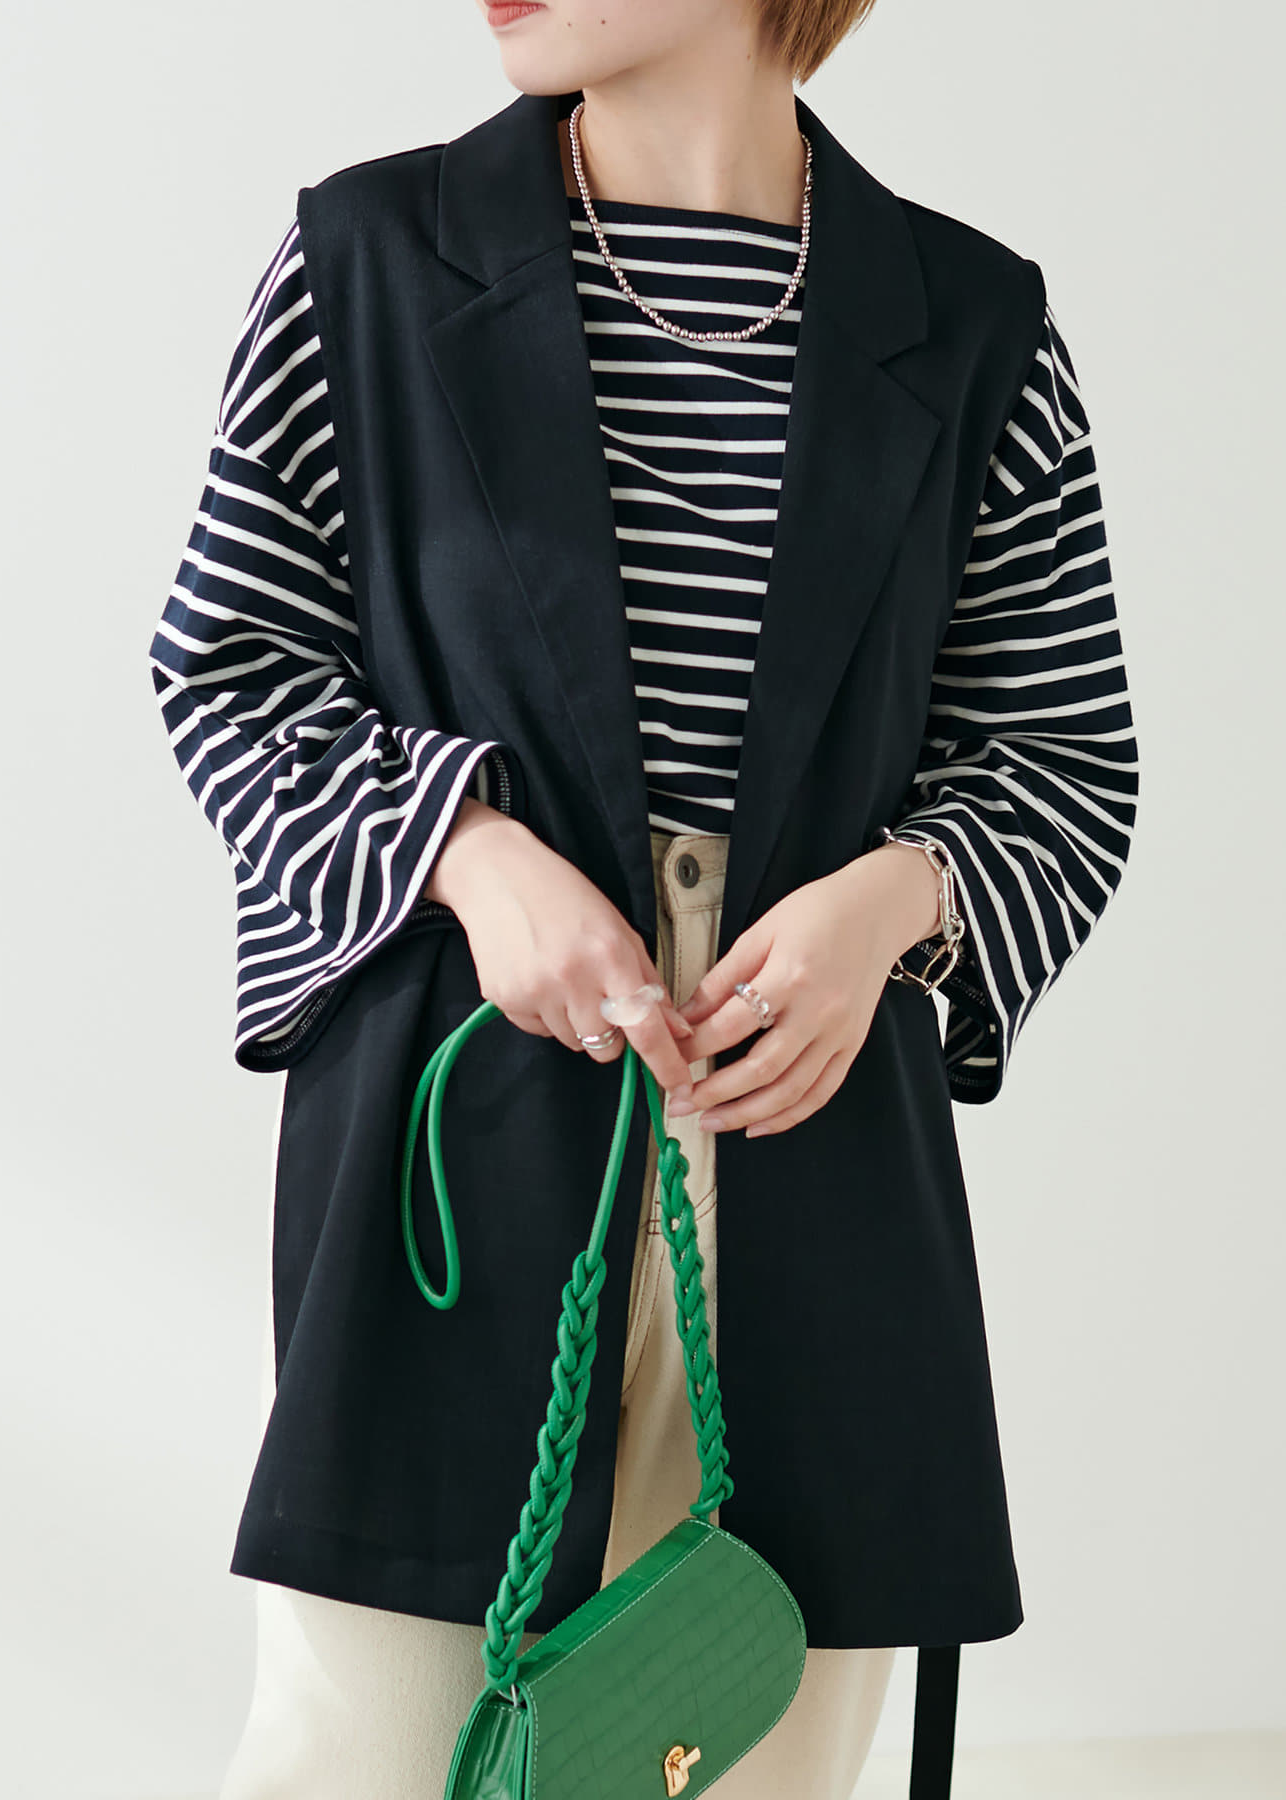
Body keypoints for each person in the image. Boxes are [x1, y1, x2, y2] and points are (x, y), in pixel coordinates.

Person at [146, 2, 1139, 1795]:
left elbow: (1060, 760)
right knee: (362, 1754)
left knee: (747, 1753)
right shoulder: (366, 262)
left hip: (811, 1165)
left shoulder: (971, 324)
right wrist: (473, 858)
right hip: (469, 1138)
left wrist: (888, 905)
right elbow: (234, 669)